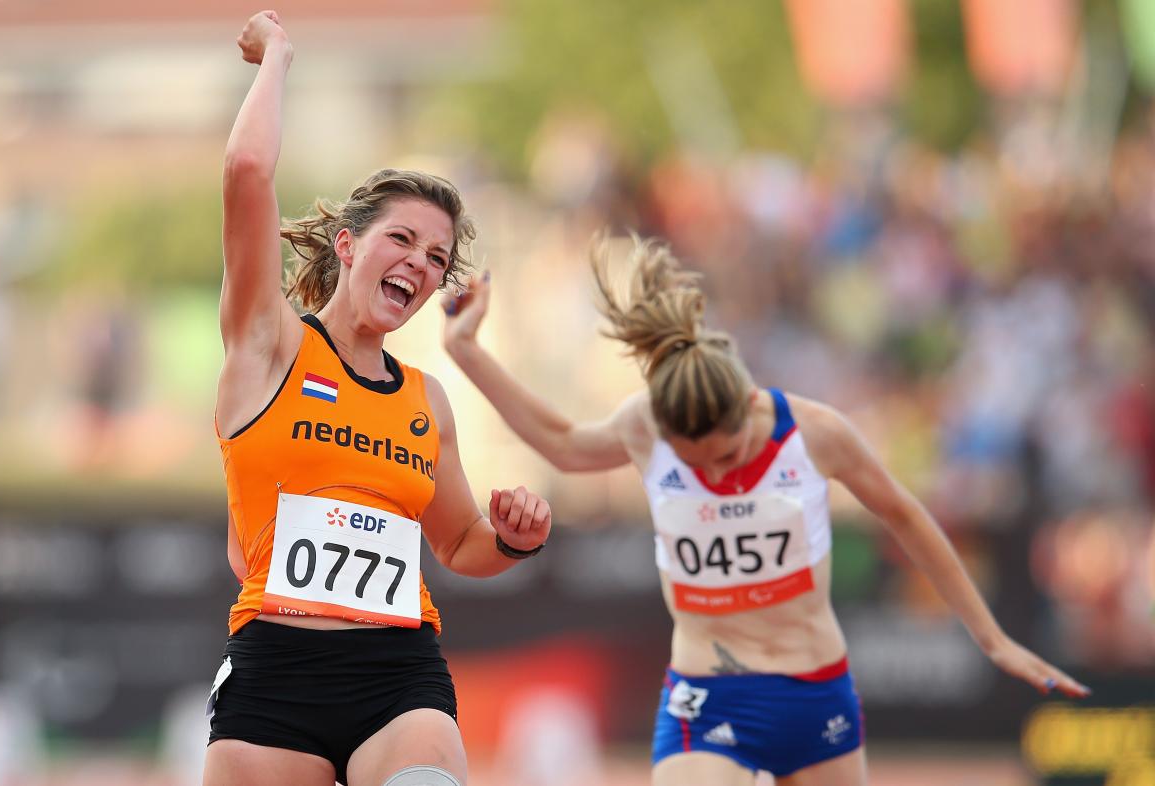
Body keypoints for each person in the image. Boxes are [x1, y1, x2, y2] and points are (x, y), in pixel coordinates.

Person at [442, 234, 1090, 786]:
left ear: (748, 406)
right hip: (708, 690)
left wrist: (992, 638)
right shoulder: (649, 426)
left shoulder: (815, 433)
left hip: (814, 693)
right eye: (695, 464)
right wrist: (466, 350)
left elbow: (907, 516)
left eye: (724, 456)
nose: (716, 475)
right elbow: (561, 442)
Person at [204, 12, 552, 786]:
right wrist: (279, 61)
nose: (420, 265)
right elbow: (246, 174)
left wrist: (517, 538)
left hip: (399, 674)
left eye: (437, 258)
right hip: (275, 671)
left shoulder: (427, 401)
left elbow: (462, 544)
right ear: (349, 244)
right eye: (402, 240)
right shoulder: (269, 346)